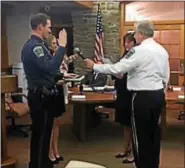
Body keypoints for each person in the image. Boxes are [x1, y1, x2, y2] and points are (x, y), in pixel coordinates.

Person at [84, 20, 170, 168]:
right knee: (154, 134)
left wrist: (95, 66)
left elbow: (118, 69)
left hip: (142, 98)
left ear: (141, 34)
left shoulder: (138, 51)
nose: (134, 36)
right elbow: (165, 77)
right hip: (158, 96)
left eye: (136, 33)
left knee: (140, 136)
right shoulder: (162, 51)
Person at [21, 13, 67, 168]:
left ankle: (43, 163)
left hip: (45, 95)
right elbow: (49, 67)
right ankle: (38, 165)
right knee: (40, 136)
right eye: (48, 26)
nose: (50, 30)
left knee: (45, 135)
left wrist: (61, 76)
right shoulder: (34, 47)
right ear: (40, 27)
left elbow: (48, 72)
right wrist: (61, 47)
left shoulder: (40, 45)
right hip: (40, 96)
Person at [44, 34, 78, 164]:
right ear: (48, 46)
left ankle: (56, 150)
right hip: (52, 91)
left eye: (56, 43)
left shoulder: (59, 55)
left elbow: (65, 64)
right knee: (51, 124)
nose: (56, 46)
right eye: (53, 44)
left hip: (60, 90)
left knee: (57, 123)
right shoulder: (49, 59)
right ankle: (50, 152)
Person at [114, 32, 136, 164]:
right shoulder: (125, 55)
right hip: (122, 94)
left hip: (131, 94)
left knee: (132, 125)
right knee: (125, 124)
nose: (126, 44)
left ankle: (133, 153)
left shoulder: (136, 56)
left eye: (129, 42)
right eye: (125, 42)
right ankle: (126, 149)